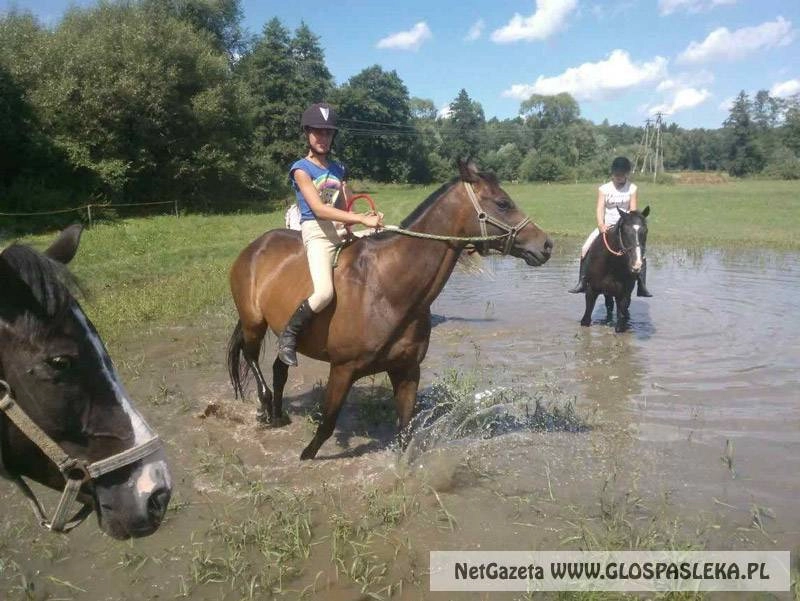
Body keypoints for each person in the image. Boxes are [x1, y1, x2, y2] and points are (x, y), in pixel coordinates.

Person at [277, 102, 384, 367]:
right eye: (317, 132)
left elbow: (345, 206)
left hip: (339, 228)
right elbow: (319, 209)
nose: (322, 138)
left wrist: (370, 219)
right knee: (324, 292)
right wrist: (359, 218)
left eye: (327, 133)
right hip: (316, 231)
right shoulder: (301, 169)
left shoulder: (338, 169)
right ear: (307, 133)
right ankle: (288, 336)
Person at [568, 156, 652, 296]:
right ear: (613, 174)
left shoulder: (632, 188)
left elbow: (633, 211)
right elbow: (600, 208)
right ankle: (582, 282)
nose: (619, 177)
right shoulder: (604, 189)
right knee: (584, 248)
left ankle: (642, 285)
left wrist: (630, 227)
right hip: (607, 225)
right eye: (617, 175)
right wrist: (601, 224)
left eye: (622, 175)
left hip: (625, 228)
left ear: (626, 174)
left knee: (640, 255)